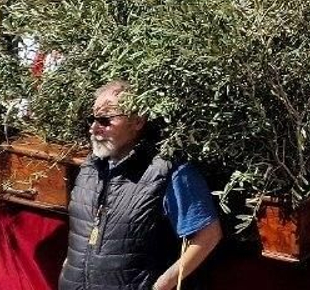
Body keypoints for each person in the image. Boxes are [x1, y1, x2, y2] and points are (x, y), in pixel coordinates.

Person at [59, 81, 223, 290]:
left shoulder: (168, 171)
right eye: (92, 119)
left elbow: (208, 235)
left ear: (137, 121)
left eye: (105, 119)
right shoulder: (90, 168)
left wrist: (162, 285)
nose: (94, 127)